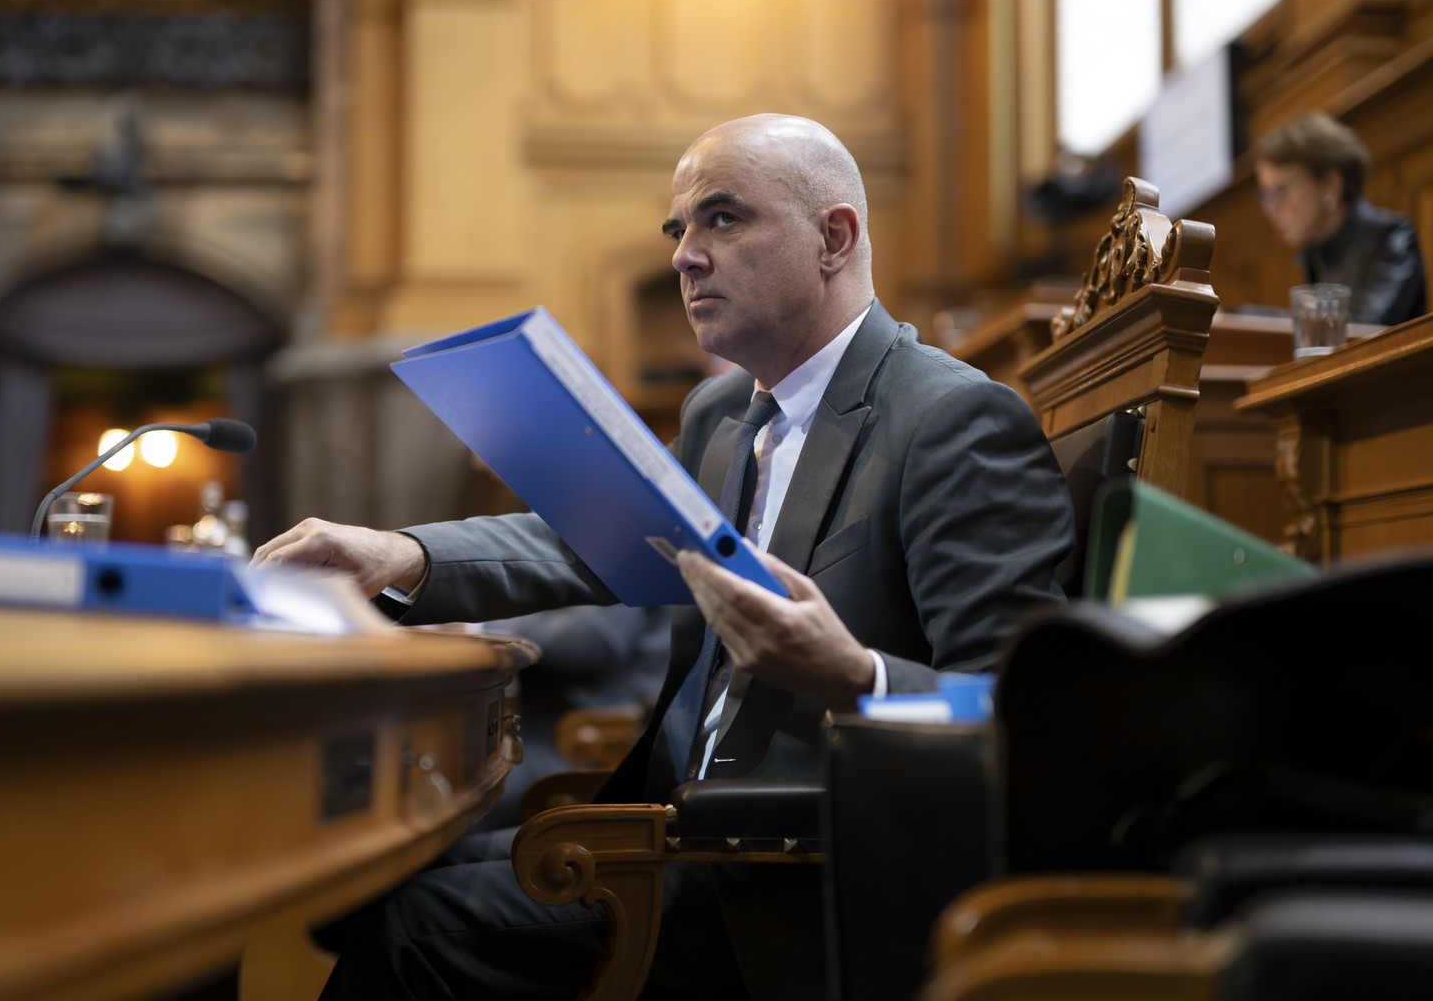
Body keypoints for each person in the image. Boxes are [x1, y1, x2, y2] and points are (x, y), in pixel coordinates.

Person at [253, 113, 1076, 1000]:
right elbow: (584, 539)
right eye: (677, 228)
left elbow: (1017, 709)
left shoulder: (950, 420)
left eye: (723, 219)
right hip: (665, 822)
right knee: (379, 882)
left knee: (415, 927)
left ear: (834, 237)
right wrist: (397, 552)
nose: (685, 253)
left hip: (784, 873)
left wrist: (856, 675)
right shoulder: (721, 417)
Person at [473, 602, 670, 829]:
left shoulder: (642, 569)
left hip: (583, 748)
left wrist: (477, 626)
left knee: (459, 793)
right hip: (548, 731)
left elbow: (586, 642)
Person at [1255, 111, 1426, 326]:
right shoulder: (1315, 254)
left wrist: (1247, 319)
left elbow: (1363, 334)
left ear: (1331, 184)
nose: (1272, 209)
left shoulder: (1394, 239)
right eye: (1266, 196)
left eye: (1281, 191)